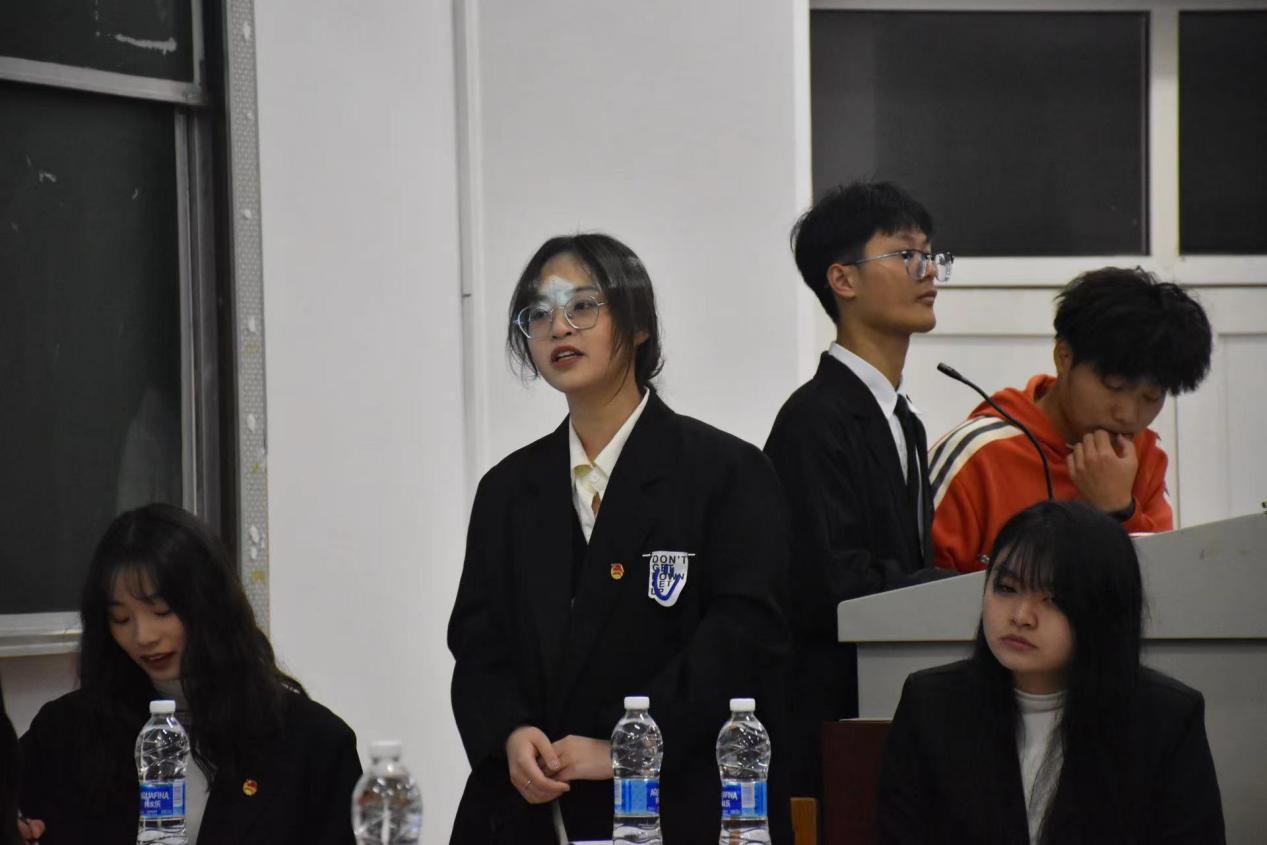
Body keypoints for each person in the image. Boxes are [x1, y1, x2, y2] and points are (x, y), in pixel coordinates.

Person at [448, 233, 791, 843]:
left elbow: (742, 638)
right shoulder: (507, 489)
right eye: (538, 314)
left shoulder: (726, 472)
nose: (559, 327)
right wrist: (509, 733)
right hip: (533, 810)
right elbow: (478, 645)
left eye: (583, 306)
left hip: (680, 803)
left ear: (637, 326)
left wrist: (628, 747)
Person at [878, 500, 1225, 843]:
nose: (1021, 616)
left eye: (1054, 599)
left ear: (1104, 609)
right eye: (1006, 588)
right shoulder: (931, 705)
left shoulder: (1165, 720)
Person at [764, 181, 954, 797]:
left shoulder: (905, 420)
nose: (929, 271)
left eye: (931, 255)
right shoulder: (814, 419)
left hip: (891, 706)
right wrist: (951, 587)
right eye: (906, 255)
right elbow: (830, 588)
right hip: (830, 727)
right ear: (842, 280)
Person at [18, 504, 362, 844]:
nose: (143, 636)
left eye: (161, 611)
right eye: (121, 619)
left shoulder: (313, 743)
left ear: (210, 605)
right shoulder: (65, 731)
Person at [930, 266, 1213, 572]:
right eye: (1114, 387)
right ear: (1064, 357)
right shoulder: (976, 457)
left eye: (1151, 397)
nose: (1128, 415)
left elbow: (1163, 584)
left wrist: (1119, 509)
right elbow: (916, 591)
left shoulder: (1140, 457)